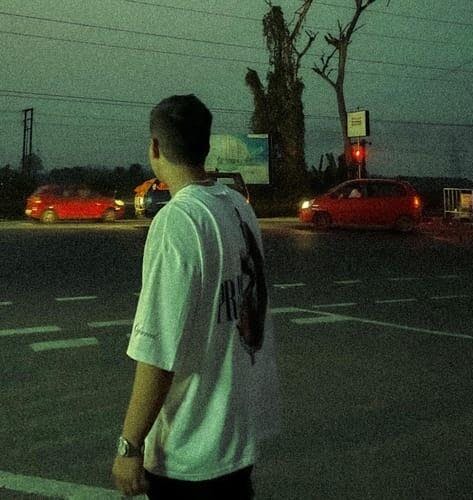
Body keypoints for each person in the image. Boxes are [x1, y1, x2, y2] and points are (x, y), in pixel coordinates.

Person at [112, 94, 282, 499]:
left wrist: (129, 445)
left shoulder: (178, 220)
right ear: (205, 145)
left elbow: (158, 350)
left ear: (155, 147)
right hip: (235, 444)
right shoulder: (238, 207)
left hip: (188, 456)